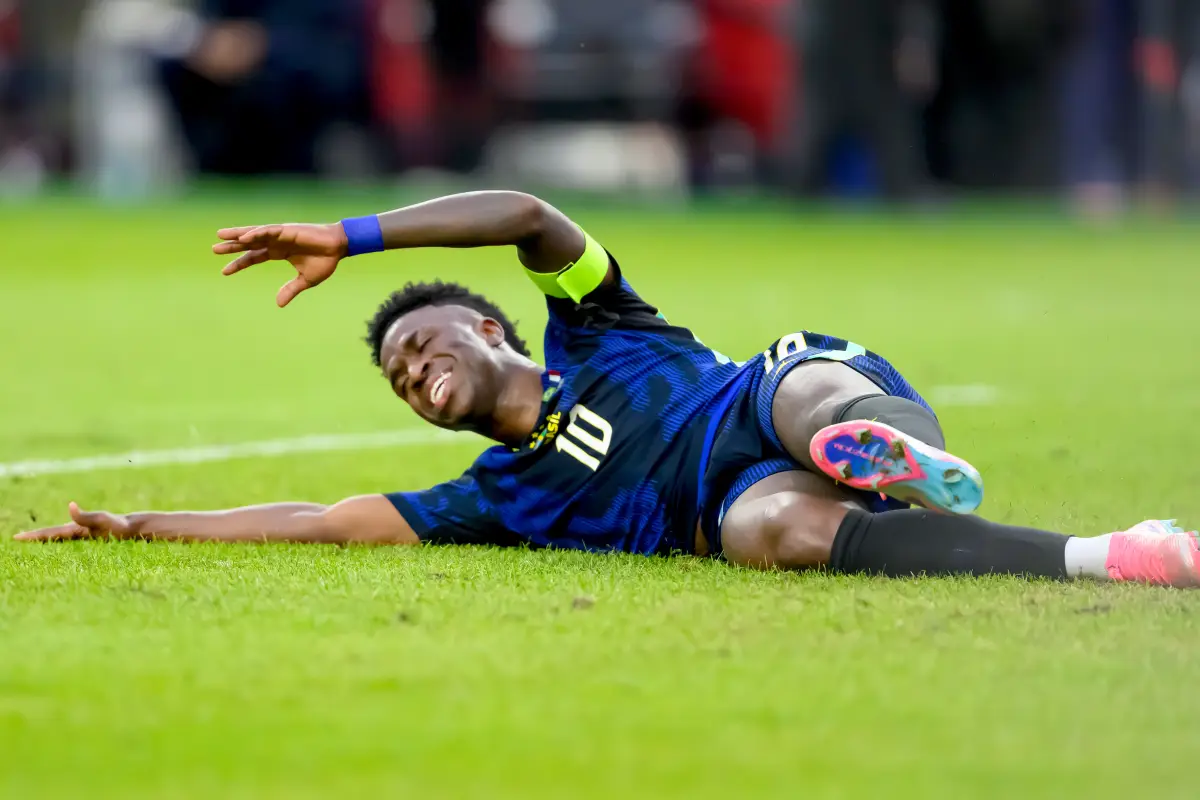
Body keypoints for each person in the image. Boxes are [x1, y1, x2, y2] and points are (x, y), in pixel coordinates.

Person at [16, 191, 1199, 587]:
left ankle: (881, 452)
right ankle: (1115, 554)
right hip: (716, 506)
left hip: (750, 407)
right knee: (768, 531)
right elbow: (325, 519)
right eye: (398, 380)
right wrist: (143, 521)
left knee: (807, 392)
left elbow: (530, 214)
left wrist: (349, 234)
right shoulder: (498, 496)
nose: (413, 373)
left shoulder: (594, 319)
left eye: (423, 345)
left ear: (488, 324)